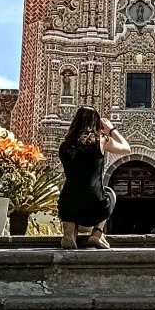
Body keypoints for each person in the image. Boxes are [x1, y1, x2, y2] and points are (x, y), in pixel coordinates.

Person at [58, 107, 131, 250]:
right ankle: (97, 234)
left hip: (67, 206)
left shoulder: (64, 145)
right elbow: (126, 149)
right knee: (109, 193)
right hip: (95, 205)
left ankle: (70, 229)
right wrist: (111, 129)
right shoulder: (101, 140)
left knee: (73, 193)